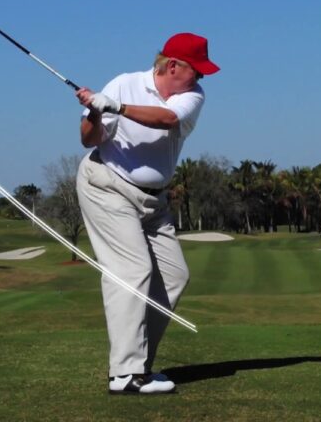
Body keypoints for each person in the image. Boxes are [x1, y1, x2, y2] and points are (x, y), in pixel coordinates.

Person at [74, 32, 219, 394]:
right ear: (174, 66)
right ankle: (125, 374)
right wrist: (95, 111)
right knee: (131, 270)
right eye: (197, 70)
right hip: (106, 186)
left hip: (154, 202)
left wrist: (116, 107)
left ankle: (140, 366)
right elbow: (89, 139)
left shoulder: (193, 96)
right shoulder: (124, 84)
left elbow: (166, 119)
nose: (201, 78)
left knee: (174, 276)